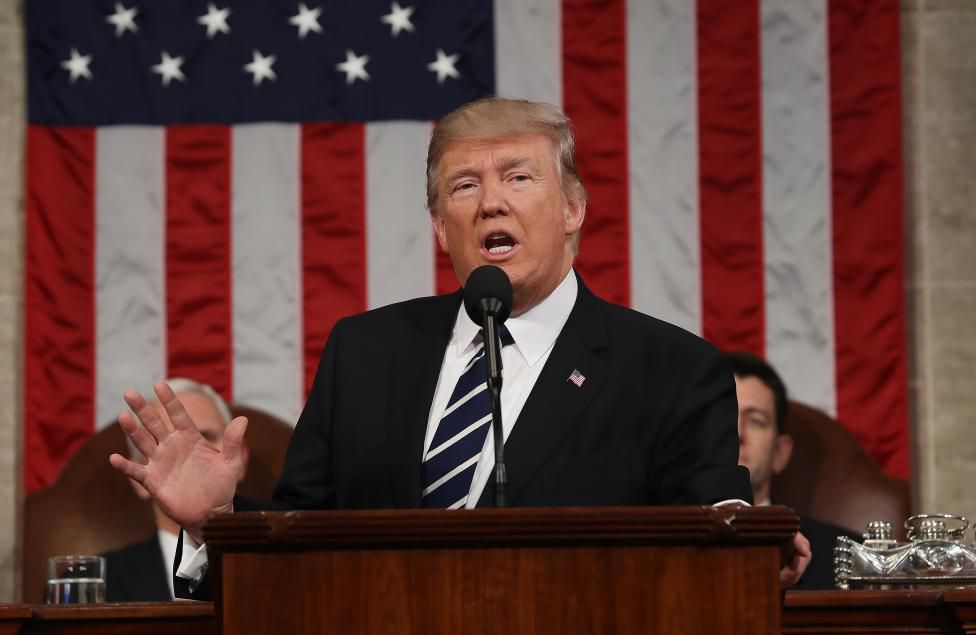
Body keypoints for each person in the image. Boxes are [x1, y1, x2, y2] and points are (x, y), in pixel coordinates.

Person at [109, 97, 809, 597]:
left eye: (518, 177)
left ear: (573, 210)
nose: (491, 202)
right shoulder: (365, 351)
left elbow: (721, 542)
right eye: (465, 186)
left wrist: (755, 548)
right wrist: (218, 521)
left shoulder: (672, 370)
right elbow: (304, 547)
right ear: (442, 228)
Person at [101, 378, 247, 601]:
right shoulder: (94, 581)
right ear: (135, 480)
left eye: (206, 436)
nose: (195, 456)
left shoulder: (288, 566)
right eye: (168, 444)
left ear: (241, 459)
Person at [729, 351, 856, 590]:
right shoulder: (656, 548)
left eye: (755, 421)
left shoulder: (845, 560)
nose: (738, 434)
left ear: (780, 452)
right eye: (724, 416)